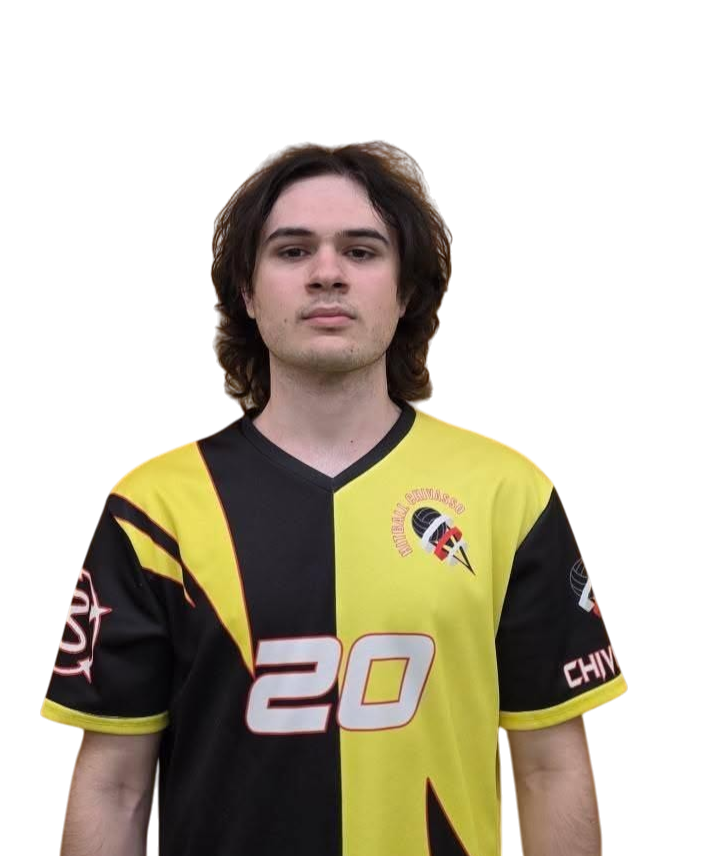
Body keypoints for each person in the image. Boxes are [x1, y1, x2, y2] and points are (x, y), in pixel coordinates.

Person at [41, 143, 627, 855]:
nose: (327, 273)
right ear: (247, 292)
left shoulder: (510, 492)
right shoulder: (153, 509)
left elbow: (549, 767)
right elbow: (114, 786)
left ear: (405, 291)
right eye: (292, 251)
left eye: (361, 250)